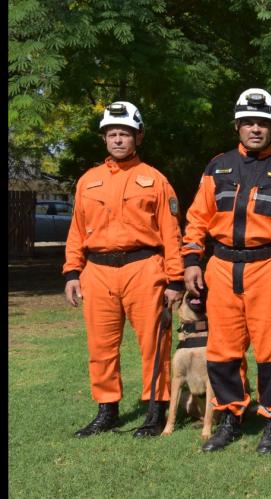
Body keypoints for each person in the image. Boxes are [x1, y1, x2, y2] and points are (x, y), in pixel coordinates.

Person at [182, 88, 271, 454]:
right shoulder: (217, 166)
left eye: (263, 123)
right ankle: (231, 416)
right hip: (221, 267)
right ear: (237, 126)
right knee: (222, 349)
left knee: (270, 348)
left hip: (269, 268)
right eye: (248, 122)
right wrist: (191, 260)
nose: (256, 129)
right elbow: (197, 217)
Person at [64, 101, 184, 438]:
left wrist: (175, 278)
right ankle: (107, 411)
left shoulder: (156, 180)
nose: (118, 140)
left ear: (138, 137)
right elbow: (76, 230)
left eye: (125, 134)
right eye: (112, 134)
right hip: (97, 271)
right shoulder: (88, 181)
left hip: (144, 268)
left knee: (154, 343)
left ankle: (155, 411)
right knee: (100, 345)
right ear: (104, 138)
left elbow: (171, 233)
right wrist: (72, 272)